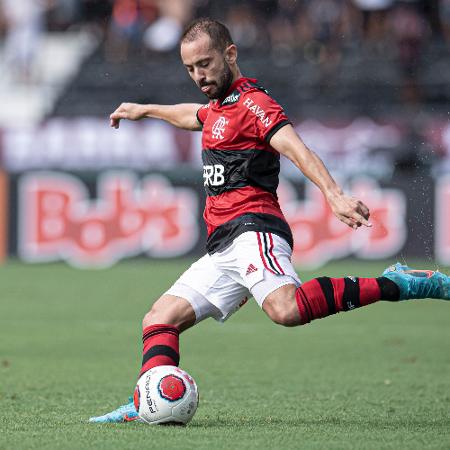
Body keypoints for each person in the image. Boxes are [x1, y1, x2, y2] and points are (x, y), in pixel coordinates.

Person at [89, 18, 449, 423]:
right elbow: (195, 116)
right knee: (159, 319)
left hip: (254, 229)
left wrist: (333, 194)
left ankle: (397, 283)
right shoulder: (219, 108)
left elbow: (295, 147)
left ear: (230, 54)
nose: (199, 76)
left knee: (286, 310)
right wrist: (145, 109)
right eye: (190, 69)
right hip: (222, 246)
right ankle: (144, 404)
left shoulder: (255, 104)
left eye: (205, 64)